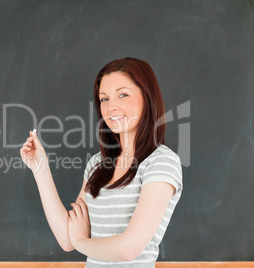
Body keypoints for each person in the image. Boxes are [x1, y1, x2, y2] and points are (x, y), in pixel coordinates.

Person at [20, 57, 183, 267]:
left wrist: (81, 241)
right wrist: (39, 168)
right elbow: (67, 239)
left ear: (147, 98)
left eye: (123, 95)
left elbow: (128, 249)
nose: (110, 107)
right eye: (104, 99)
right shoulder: (98, 164)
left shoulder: (161, 162)